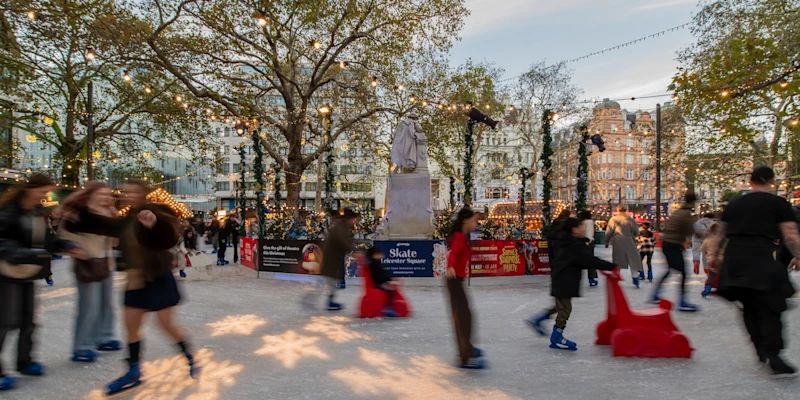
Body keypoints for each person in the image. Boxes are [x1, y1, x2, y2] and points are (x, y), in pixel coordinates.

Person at [75, 180, 199, 395]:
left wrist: (153, 224)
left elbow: (168, 239)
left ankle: (189, 356)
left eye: (133, 192)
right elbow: (92, 223)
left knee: (166, 325)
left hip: (158, 278)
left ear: (142, 194)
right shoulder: (123, 221)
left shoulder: (154, 212)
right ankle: (133, 370)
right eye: (126, 192)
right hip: (135, 280)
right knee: (131, 327)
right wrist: (80, 204)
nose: (128, 195)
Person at [707, 167, 800, 376]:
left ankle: (760, 349)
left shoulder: (735, 203)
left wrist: (714, 256)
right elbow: (791, 235)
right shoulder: (778, 203)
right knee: (772, 306)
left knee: (748, 306)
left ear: (750, 181)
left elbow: (721, 233)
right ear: (772, 181)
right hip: (761, 258)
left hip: (735, 259)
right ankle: (773, 354)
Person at [0, 174, 79, 391]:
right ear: (29, 189)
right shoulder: (8, 212)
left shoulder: (36, 212)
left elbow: (45, 239)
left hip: (27, 272)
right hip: (6, 273)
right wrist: (26, 253)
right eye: (43, 191)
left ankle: (25, 361)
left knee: (28, 321)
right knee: (5, 322)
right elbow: (3, 242)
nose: (46, 196)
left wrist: (64, 244)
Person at [526, 218, 617, 350]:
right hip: (564, 280)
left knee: (560, 305)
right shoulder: (573, 245)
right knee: (565, 309)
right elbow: (589, 261)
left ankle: (539, 319)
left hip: (563, 278)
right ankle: (557, 336)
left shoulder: (569, 242)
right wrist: (612, 267)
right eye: (581, 226)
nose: (584, 229)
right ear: (574, 230)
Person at [57, 182, 121, 363]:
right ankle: (82, 346)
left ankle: (104, 337)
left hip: (105, 261)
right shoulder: (77, 212)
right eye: (101, 194)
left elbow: (115, 239)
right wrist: (76, 248)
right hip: (87, 262)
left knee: (106, 303)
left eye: (108, 194)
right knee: (89, 305)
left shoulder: (109, 212)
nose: (105, 197)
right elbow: (64, 234)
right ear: (91, 194)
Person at [446, 208, 485, 369]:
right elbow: (453, 253)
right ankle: (465, 356)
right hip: (454, 279)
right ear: (465, 221)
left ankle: (467, 349)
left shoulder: (463, 236)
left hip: (457, 280)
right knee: (463, 318)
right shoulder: (459, 237)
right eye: (474, 220)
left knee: (465, 316)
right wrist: (451, 267)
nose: (476, 224)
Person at [650, 192, 699, 312]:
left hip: (668, 244)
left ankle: (655, 294)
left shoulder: (677, 212)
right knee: (683, 272)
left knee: (671, 269)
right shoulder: (686, 214)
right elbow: (691, 231)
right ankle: (682, 301)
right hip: (673, 245)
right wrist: (707, 234)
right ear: (692, 202)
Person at [320, 209, 359, 310]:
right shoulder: (341, 226)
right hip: (332, 256)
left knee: (332, 279)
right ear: (349, 219)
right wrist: (353, 250)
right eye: (353, 219)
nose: (354, 222)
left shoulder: (343, 226)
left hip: (335, 256)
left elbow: (346, 239)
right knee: (331, 279)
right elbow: (342, 240)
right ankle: (329, 301)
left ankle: (330, 300)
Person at [604, 206, 644, 287]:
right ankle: (635, 278)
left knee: (618, 259)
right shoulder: (630, 219)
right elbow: (636, 231)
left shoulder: (613, 219)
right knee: (633, 259)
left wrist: (606, 241)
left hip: (618, 240)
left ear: (617, 210)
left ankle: (616, 277)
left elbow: (609, 231)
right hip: (629, 240)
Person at [366, 246, 398, 318]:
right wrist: (384, 282)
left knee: (391, 289)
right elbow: (377, 276)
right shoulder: (373, 265)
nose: (380, 256)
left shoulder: (378, 263)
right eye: (378, 254)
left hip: (380, 282)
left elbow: (383, 274)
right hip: (377, 284)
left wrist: (390, 279)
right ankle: (387, 307)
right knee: (390, 291)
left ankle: (389, 306)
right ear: (373, 255)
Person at [700, 222, 725, 298]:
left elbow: (702, 249)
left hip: (711, 260)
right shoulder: (722, 239)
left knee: (711, 275)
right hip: (722, 260)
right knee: (722, 275)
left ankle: (707, 289)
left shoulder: (708, 239)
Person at [578, 210, 598, 287]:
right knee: (590, 261)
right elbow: (590, 232)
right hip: (588, 243)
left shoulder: (580, 222)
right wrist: (588, 241)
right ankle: (591, 278)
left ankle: (578, 278)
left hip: (580, 242)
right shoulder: (589, 222)